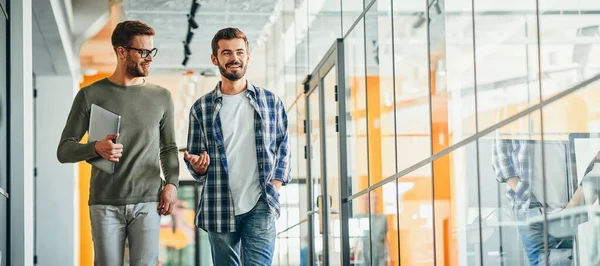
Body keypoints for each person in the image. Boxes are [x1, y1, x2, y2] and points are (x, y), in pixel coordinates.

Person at [57, 20, 179, 266]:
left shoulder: (162, 97)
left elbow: (168, 148)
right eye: (143, 52)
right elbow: (64, 150)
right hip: (105, 204)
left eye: (151, 52)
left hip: (148, 201)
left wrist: (172, 184)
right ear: (121, 51)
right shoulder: (90, 95)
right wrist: (95, 148)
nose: (149, 58)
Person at [183, 27, 291, 266]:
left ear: (248, 56)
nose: (234, 58)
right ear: (215, 59)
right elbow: (195, 164)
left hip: (261, 202)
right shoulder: (201, 108)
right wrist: (199, 167)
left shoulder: (270, 101)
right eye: (227, 52)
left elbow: (284, 148)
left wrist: (275, 185)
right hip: (219, 202)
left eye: (240, 52)